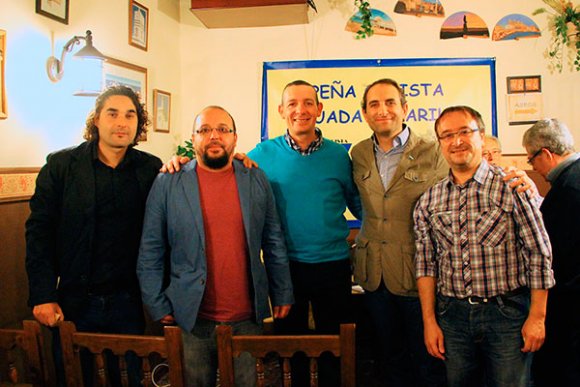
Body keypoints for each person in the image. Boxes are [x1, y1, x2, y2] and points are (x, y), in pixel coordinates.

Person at [137, 106, 294, 386]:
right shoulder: (168, 181)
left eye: (223, 129)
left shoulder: (255, 178)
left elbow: (273, 240)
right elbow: (151, 249)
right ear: (193, 138)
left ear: (235, 138)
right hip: (192, 317)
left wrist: (282, 292)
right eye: (205, 130)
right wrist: (157, 304)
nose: (214, 136)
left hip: (247, 317)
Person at [25, 85, 162, 386]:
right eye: (112, 114)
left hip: (128, 299)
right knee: (73, 376)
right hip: (74, 299)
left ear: (139, 124)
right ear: (97, 119)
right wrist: (43, 295)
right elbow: (39, 234)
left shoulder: (151, 168)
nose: (122, 122)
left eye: (130, 115)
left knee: (128, 377)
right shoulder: (61, 166)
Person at [414, 105, 555, 387]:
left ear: (481, 136)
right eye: (447, 135)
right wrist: (429, 322)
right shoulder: (429, 201)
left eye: (465, 132)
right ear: (440, 143)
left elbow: (539, 253)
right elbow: (426, 265)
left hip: (506, 315)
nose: (457, 141)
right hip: (452, 318)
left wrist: (537, 318)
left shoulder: (513, 188)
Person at [350, 78, 447, 386]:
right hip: (374, 276)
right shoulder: (359, 153)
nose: (383, 110)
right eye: (374, 104)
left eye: (390, 102)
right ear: (364, 113)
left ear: (405, 108)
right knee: (389, 359)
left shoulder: (433, 151)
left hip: (418, 274)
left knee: (427, 359)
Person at [522, 118, 580, 387]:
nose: (532, 167)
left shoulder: (567, 190)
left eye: (531, 159)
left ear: (545, 153)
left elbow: (554, 253)